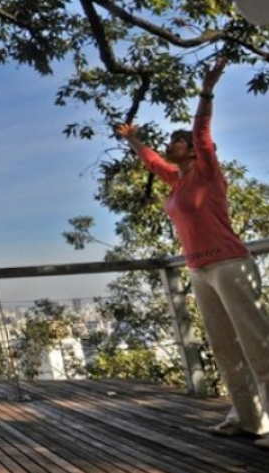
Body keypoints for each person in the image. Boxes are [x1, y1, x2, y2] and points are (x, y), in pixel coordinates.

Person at [116, 57, 269, 449]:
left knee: (257, 343)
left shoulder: (207, 172)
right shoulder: (177, 181)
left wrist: (206, 89)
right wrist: (132, 138)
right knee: (223, 346)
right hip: (200, 270)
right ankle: (249, 418)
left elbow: (202, 131)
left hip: (231, 264)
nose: (171, 145)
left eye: (177, 141)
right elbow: (151, 162)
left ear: (193, 151)